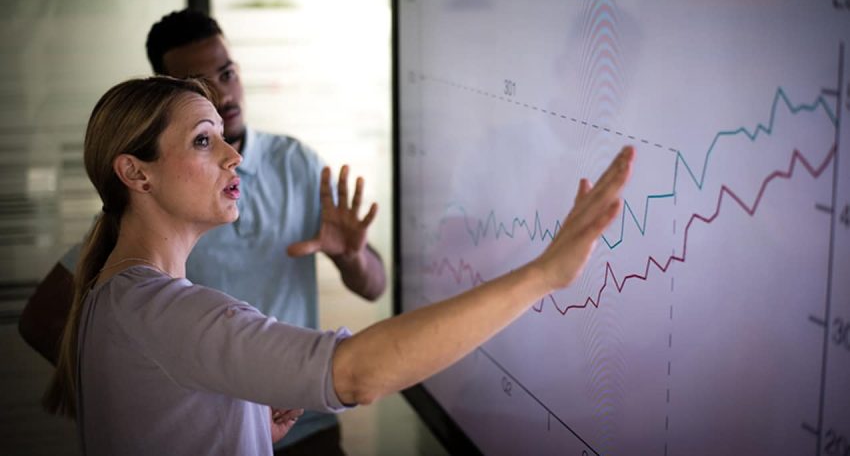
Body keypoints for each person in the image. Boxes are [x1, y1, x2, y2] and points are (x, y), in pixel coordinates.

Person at [44, 75, 634, 455]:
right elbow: (356, 375)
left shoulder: (115, 295)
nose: (234, 155)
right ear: (135, 173)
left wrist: (245, 428)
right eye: (204, 141)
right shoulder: (166, 312)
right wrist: (542, 274)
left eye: (223, 136)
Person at [18, 9, 386, 454]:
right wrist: (166, 407)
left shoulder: (296, 163)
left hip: (292, 424)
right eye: (201, 138)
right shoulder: (150, 272)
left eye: (227, 73)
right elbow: (356, 372)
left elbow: (374, 286)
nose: (224, 94)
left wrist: (350, 255)